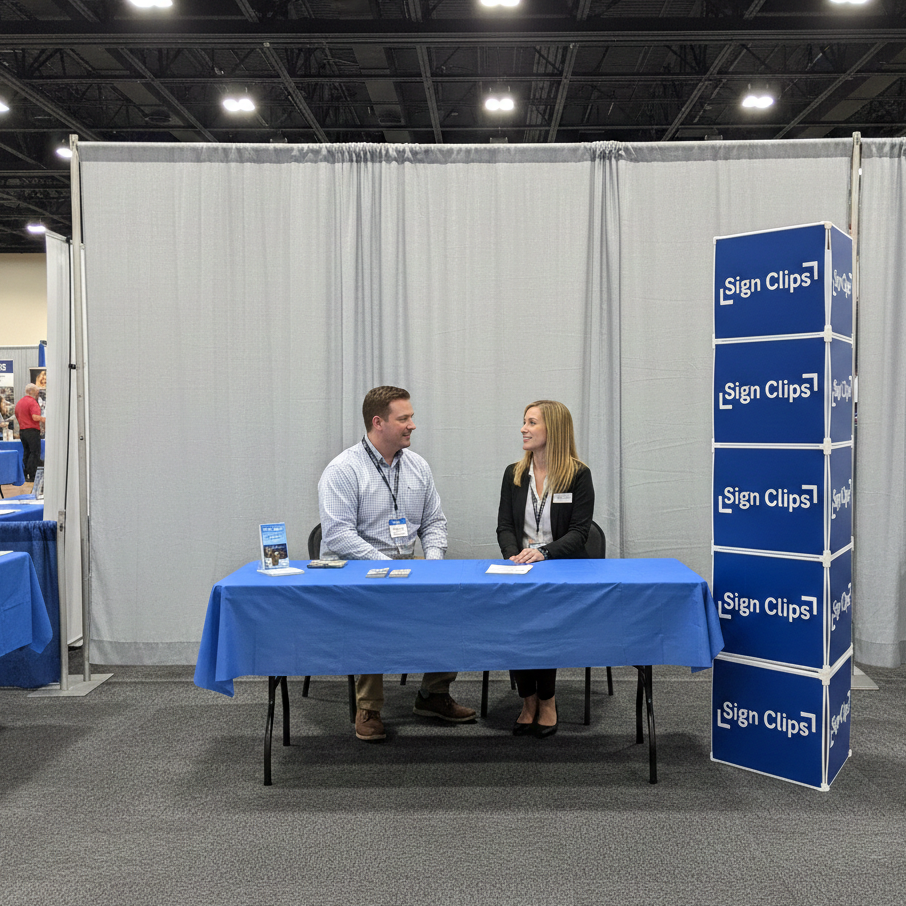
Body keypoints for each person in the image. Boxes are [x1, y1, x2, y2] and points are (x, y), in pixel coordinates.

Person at [318, 385, 476, 742]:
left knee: (453, 601)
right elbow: (338, 535)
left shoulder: (418, 467)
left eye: (411, 417)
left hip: (410, 567)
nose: (412, 425)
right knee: (370, 607)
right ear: (379, 423)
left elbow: (434, 523)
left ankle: (434, 694)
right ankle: (368, 707)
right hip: (359, 571)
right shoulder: (343, 470)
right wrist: (387, 565)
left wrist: (432, 564)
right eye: (404, 418)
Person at [496, 399, 595, 739]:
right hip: (520, 568)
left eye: (532, 422)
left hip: (561, 568)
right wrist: (514, 556)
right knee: (516, 622)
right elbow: (505, 527)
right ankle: (528, 700)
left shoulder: (578, 475)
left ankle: (547, 700)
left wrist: (543, 554)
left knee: (543, 622)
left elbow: (579, 533)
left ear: (553, 429)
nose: (523, 429)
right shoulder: (514, 474)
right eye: (524, 422)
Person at [14, 383, 45, 482]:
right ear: (33, 392)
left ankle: (24, 474)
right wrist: (45, 419)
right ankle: (32, 475)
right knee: (35, 453)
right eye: (37, 391)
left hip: (22, 431)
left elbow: (17, 416)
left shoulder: (19, 402)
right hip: (32, 431)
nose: (38, 393)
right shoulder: (32, 402)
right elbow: (35, 417)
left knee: (27, 452)